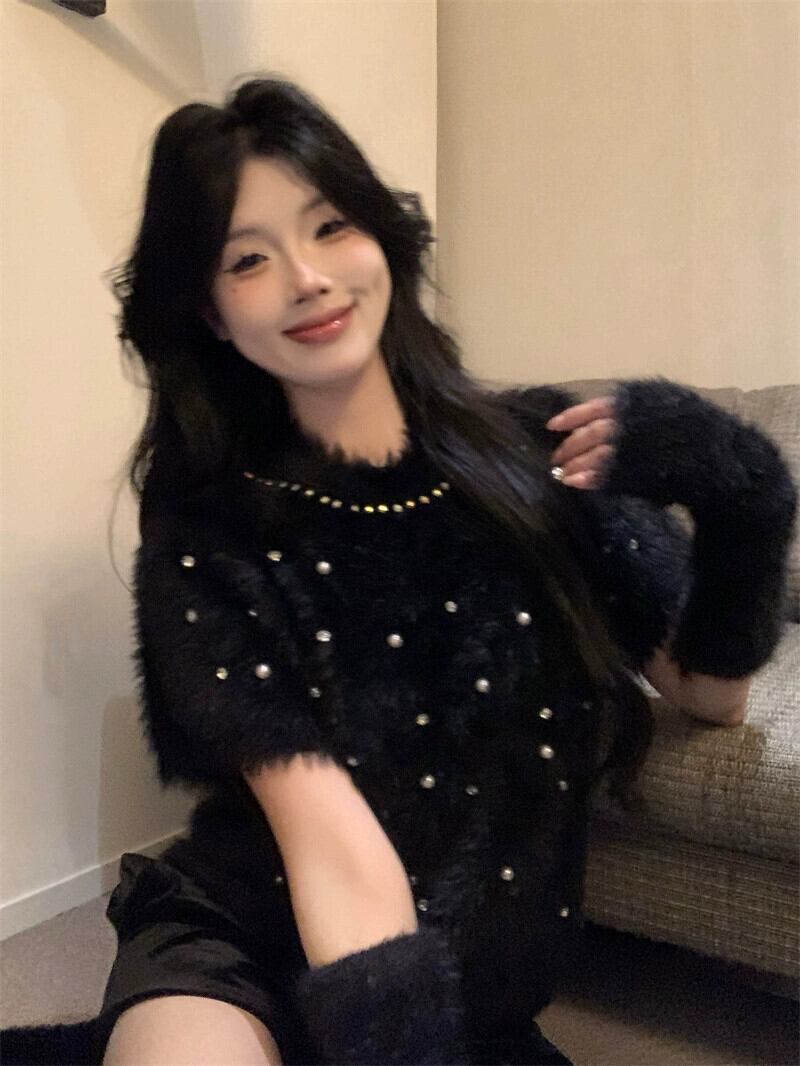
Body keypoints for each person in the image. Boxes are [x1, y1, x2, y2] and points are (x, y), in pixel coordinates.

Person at [2, 75, 796, 1066]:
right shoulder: (208, 536)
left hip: (473, 990)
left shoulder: (543, 456)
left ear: (380, 236)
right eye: (249, 258)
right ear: (210, 311)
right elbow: (331, 848)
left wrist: (743, 490)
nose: (305, 277)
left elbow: (711, 692)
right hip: (250, 944)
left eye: (329, 226)